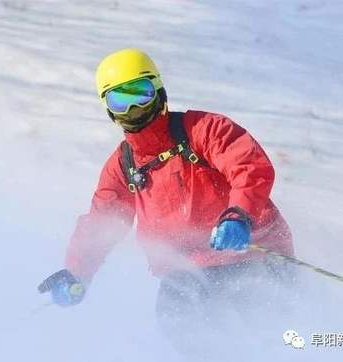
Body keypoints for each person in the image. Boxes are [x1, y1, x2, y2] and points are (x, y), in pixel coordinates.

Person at [38, 49, 295, 346]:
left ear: (159, 91)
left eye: (141, 94)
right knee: (176, 319)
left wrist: (239, 215)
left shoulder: (203, 130)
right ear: (109, 110)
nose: (133, 108)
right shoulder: (124, 166)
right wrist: (76, 272)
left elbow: (248, 167)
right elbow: (102, 221)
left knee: (258, 317)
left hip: (251, 250)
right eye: (120, 101)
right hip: (187, 267)